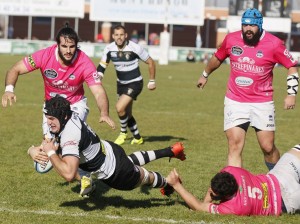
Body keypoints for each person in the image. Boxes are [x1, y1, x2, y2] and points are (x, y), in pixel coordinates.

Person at [2, 22, 115, 194]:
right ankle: (85, 177)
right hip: (52, 108)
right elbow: (15, 69)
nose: (68, 50)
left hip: (75, 106)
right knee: (50, 145)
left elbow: (98, 91)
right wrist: (9, 90)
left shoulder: (83, 62)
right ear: (57, 45)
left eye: (72, 46)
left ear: (77, 45)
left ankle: (94, 169)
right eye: (64, 46)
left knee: (61, 143)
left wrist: (104, 112)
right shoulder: (44, 56)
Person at [196, 8, 299, 170]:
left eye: (252, 26)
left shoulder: (274, 44)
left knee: (267, 147)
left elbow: (292, 67)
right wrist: (205, 74)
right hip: (235, 100)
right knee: (234, 145)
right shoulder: (231, 39)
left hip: (262, 102)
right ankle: (234, 192)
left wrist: (291, 94)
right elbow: (218, 58)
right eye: (245, 26)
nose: (248, 30)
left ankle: (279, 179)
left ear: (260, 25)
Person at [32, 95, 186, 197]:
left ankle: (169, 183)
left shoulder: (70, 134)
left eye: (51, 118)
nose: (48, 122)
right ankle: (170, 151)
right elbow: (48, 145)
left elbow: (69, 174)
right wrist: (31, 150)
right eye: (47, 118)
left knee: (146, 178)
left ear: (63, 115)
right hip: (111, 150)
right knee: (130, 161)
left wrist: (51, 153)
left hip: (116, 172)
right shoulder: (68, 116)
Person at [167, 144, 300, 215]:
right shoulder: (231, 170)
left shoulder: (234, 208)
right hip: (279, 177)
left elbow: (199, 207)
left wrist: (177, 185)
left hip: (287, 200)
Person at [97, 24, 156, 145]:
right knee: (126, 113)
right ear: (113, 36)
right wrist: (98, 77)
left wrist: (152, 81)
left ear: (126, 36)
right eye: (117, 35)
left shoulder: (135, 48)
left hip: (135, 83)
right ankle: (138, 137)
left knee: (119, 108)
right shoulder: (109, 49)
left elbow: (150, 62)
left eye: (121, 35)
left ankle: (122, 133)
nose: (119, 37)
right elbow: (103, 65)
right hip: (121, 84)